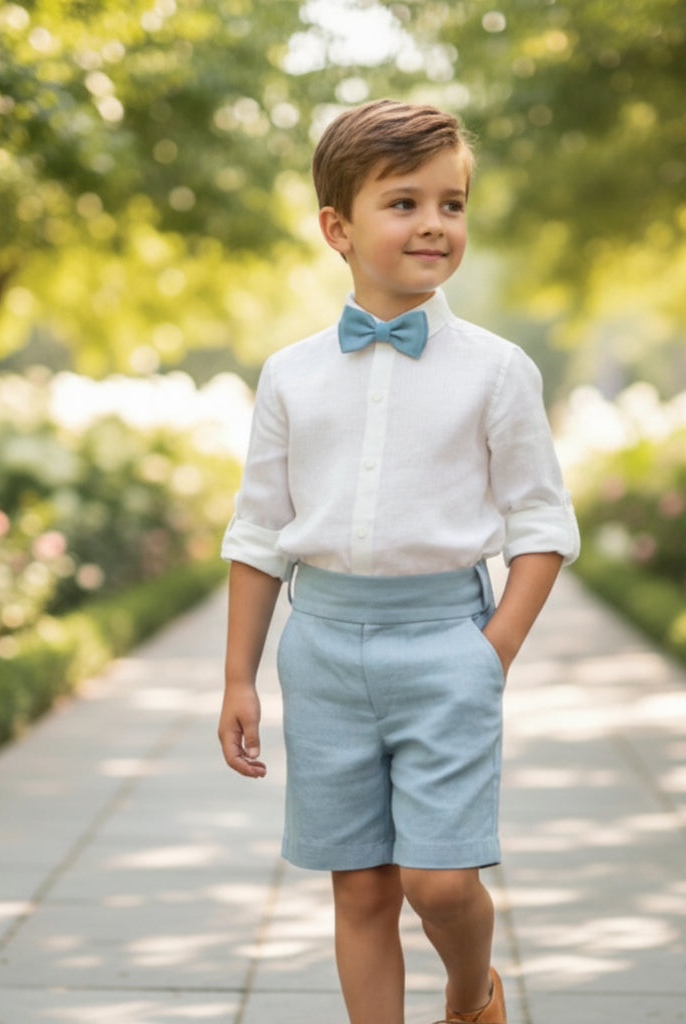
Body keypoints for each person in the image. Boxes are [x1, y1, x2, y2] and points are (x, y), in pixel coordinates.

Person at [218, 98, 579, 1024]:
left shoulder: (498, 370)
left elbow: (542, 522)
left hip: (446, 646)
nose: (433, 224)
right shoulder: (291, 375)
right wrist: (239, 678)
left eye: (451, 204)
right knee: (364, 889)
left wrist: (491, 651)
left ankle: (471, 995)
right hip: (323, 652)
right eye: (404, 203)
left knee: (439, 883)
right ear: (337, 228)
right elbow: (259, 532)